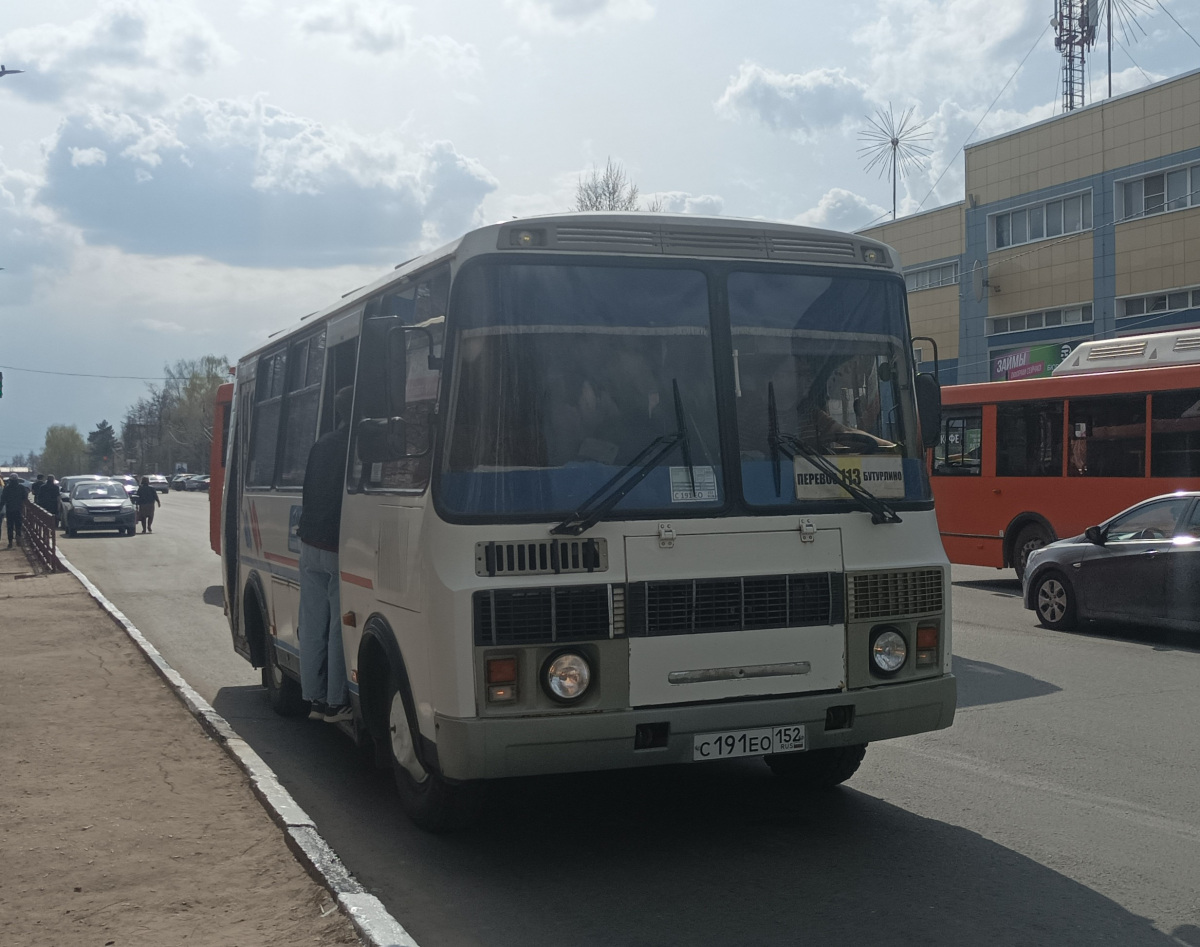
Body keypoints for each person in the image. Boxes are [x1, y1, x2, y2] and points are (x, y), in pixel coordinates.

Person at [296, 387, 353, 724]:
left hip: (309, 543)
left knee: (313, 626)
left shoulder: (322, 444)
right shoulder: (354, 448)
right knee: (336, 627)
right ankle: (335, 703)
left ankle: (314, 699)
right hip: (335, 546)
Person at [1, 475, 30, 548]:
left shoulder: (7, 488)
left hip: (9, 509)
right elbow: (25, 497)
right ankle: (18, 537)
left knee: (10, 526)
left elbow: (3, 499)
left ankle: (10, 542)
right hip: (19, 509)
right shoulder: (21, 487)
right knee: (18, 525)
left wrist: (0, 508)